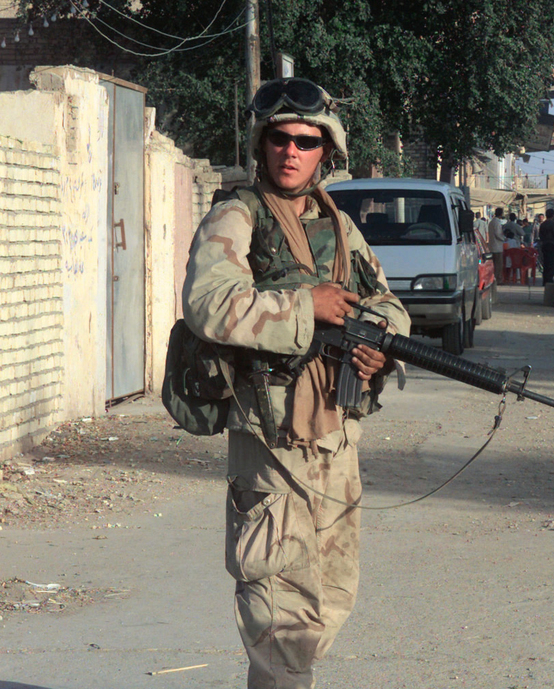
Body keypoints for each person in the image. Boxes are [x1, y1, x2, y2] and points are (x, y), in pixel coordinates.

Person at [182, 78, 411, 689]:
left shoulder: (338, 225)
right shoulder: (237, 215)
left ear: (324, 152)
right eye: (279, 139)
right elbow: (209, 305)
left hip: (336, 435)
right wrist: (305, 307)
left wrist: (377, 347)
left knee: (329, 597)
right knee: (278, 607)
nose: (291, 151)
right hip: (270, 437)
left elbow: (385, 302)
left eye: (305, 142)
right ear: (262, 145)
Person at [538, 208, 554, 285]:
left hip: (545, 245)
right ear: (553, 215)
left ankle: (545, 280)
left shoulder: (543, 224)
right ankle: (550, 278)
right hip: (552, 245)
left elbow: (540, 235)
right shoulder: (553, 224)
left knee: (546, 263)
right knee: (553, 263)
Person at [488, 208, 506, 283]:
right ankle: (498, 280)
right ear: (501, 214)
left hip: (492, 246)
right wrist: (504, 238)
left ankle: (492, 279)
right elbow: (498, 234)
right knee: (498, 265)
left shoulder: (491, 222)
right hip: (497, 247)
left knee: (493, 264)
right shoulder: (497, 223)